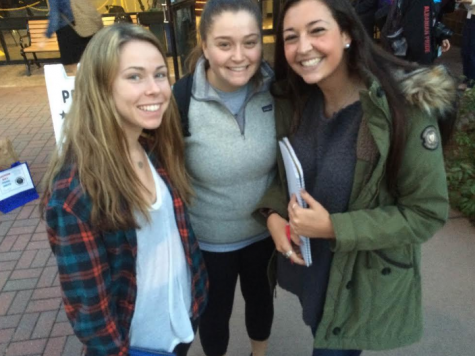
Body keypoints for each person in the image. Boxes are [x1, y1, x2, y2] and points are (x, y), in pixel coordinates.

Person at [255, 0, 457, 355]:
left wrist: (334, 227)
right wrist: (273, 214)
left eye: (317, 30)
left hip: (359, 283)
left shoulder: (399, 110)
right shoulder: (301, 100)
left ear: (347, 33)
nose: (303, 47)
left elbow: (426, 213)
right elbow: (289, 173)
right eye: (290, 37)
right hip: (316, 273)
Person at [40, 24, 208, 356]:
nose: (156, 89)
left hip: (181, 322)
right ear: (101, 87)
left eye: (160, 74)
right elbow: (91, 315)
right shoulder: (75, 192)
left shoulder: (151, 146)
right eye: (134, 76)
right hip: (137, 346)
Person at [172, 1, 276, 355]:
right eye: (224, 44)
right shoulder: (182, 100)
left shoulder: (276, 90)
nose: (239, 56)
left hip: (266, 231)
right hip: (209, 241)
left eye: (250, 42)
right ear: (204, 45)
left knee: (261, 302)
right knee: (214, 315)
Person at [45, 0, 102, 67]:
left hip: (69, 31)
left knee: (73, 64)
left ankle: (80, 76)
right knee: (89, 62)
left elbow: (55, 13)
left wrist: (48, 33)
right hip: (87, 28)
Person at [458, 0, 475, 89]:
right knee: (465, 51)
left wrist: (469, 1)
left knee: (472, 52)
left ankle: (471, 83)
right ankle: (466, 79)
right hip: (470, 16)